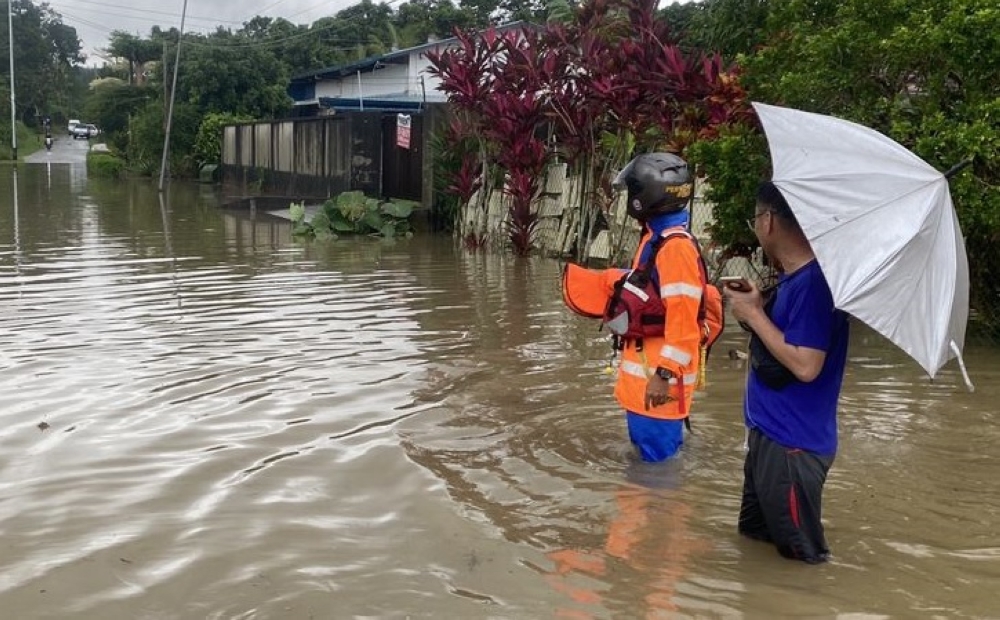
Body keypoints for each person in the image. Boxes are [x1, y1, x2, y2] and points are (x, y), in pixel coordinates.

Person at [723, 180, 850, 564]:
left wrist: (754, 314)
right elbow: (783, 339)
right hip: (769, 436)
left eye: (755, 218)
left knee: (803, 563)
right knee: (755, 543)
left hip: (793, 446)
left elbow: (807, 365)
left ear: (768, 221)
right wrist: (758, 305)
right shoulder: (794, 279)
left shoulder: (815, 284)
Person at [610, 153, 705, 462]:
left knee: (658, 475)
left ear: (645, 197)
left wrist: (664, 374)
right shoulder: (659, 239)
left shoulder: (674, 248)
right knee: (647, 467)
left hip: (658, 382)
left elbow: (684, 320)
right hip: (648, 381)